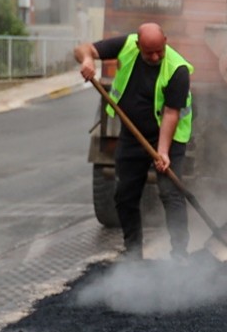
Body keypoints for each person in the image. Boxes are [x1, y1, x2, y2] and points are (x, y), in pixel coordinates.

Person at [74, 23, 193, 261]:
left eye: (160, 50)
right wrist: (88, 61)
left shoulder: (178, 69)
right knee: (125, 194)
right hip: (132, 134)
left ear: (166, 40)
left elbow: (171, 113)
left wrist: (163, 153)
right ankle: (133, 252)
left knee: (171, 194)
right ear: (138, 45)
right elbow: (83, 49)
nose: (156, 56)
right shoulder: (127, 45)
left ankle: (180, 255)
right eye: (149, 52)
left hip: (169, 138)